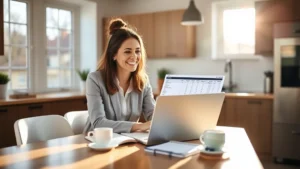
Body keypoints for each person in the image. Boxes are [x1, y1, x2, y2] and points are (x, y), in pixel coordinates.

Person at [83, 18, 155, 134]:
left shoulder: (143, 81)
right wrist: (139, 126)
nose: (134, 56)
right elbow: (98, 123)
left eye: (137, 51)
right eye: (127, 51)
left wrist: (165, 119)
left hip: (126, 142)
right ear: (114, 55)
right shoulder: (95, 80)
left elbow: (153, 115)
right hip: (96, 142)